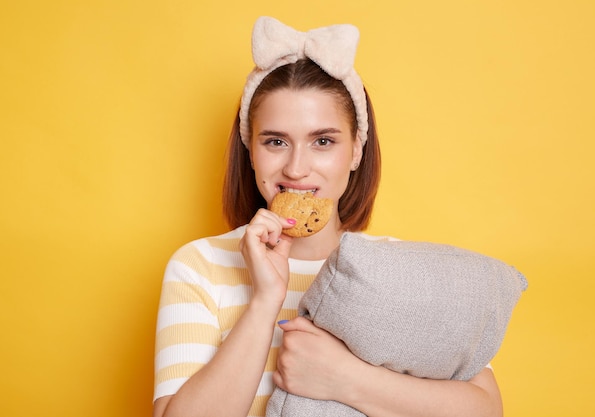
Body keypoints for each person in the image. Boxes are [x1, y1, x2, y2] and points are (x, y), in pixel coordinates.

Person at [153, 16, 503, 417]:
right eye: (276, 141)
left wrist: (342, 377)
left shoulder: (401, 266)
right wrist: (266, 301)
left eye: (323, 141)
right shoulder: (199, 266)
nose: (297, 168)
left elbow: (484, 409)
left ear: (356, 150)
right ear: (251, 151)